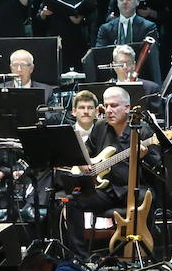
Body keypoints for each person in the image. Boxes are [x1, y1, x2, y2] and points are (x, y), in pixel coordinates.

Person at [62, 85, 162, 260]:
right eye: (106, 106)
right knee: (72, 200)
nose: (109, 110)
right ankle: (81, 257)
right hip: (106, 190)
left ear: (127, 108)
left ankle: (146, 253)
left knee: (147, 197)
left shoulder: (143, 131)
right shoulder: (100, 127)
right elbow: (87, 151)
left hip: (133, 190)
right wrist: (84, 163)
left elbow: (157, 167)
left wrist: (143, 158)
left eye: (114, 106)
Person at [96, 0, 161, 83]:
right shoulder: (105, 29)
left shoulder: (149, 27)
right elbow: (101, 56)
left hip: (141, 79)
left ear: (137, 2)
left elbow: (151, 60)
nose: (124, 2)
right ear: (117, 3)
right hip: (114, 80)